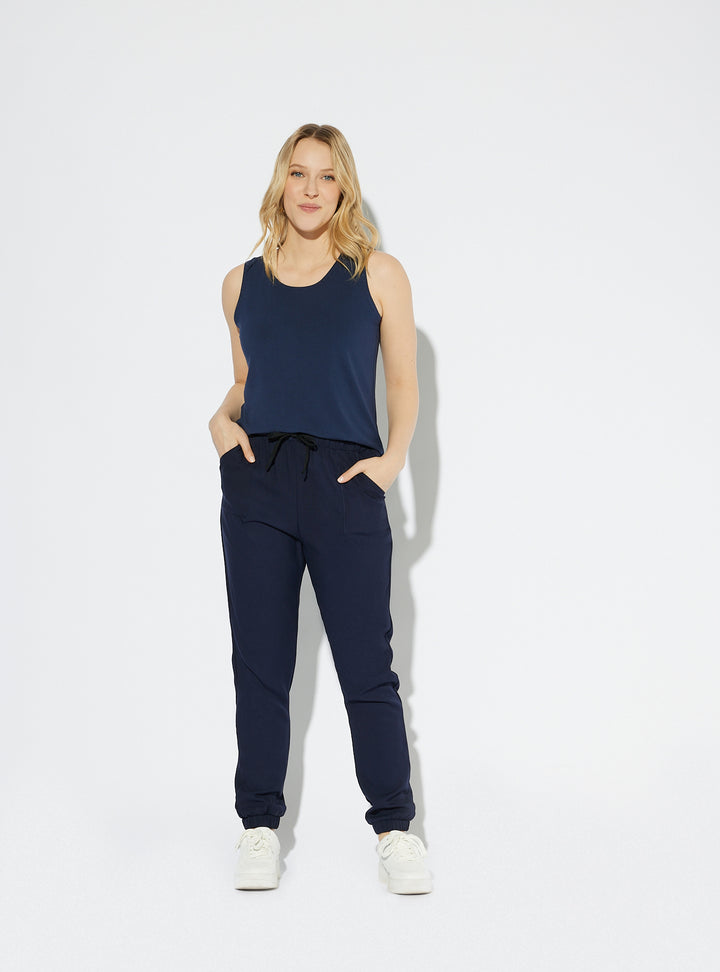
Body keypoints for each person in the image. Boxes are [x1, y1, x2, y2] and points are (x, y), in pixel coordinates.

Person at [208, 123, 433, 895]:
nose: (310, 189)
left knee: (368, 666)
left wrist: (390, 463)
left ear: (344, 188)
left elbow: (402, 382)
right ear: (281, 184)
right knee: (260, 664)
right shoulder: (240, 283)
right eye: (298, 174)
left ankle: (396, 829)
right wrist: (220, 421)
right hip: (259, 481)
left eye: (326, 176)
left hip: (345, 481)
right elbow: (249, 382)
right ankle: (258, 826)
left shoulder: (378, 274)